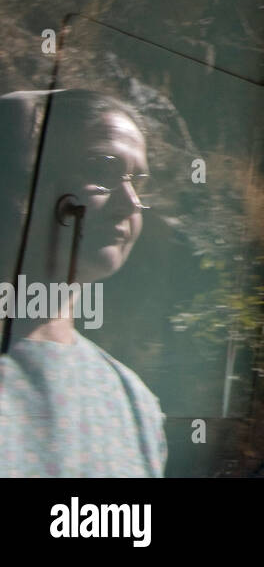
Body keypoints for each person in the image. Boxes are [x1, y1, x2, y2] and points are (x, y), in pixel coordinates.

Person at [0, 88, 167, 477]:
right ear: (23, 183)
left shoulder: (134, 402)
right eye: (101, 170)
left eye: (138, 182)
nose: (129, 203)